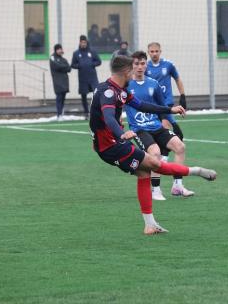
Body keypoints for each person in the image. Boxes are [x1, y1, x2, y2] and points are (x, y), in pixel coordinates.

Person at [89, 55, 217, 235]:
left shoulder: (119, 90)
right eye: (132, 71)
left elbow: (142, 105)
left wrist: (168, 110)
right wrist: (121, 133)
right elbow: (108, 117)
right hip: (112, 146)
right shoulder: (109, 92)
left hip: (110, 144)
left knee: (144, 172)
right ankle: (196, 171)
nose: (134, 74)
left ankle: (150, 225)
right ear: (126, 72)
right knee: (155, 164)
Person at [126, 51, 194, 200]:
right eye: (136, 63)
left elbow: (162, 106)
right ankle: (155, 190)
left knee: (180, 146)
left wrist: (169, 121)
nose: (139, 67)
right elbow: (118, 106)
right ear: (131, 65)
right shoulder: (126, 86)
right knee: (155, 154)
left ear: (146, 65)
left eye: (142, 63)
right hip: (139, 129)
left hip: (156, 126)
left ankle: (177, 185)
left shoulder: (153, 83)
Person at [146, 42, 188, 199]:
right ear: (148, 52)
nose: (154, 53)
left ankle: (174, 182)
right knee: (174, 139)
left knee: (179, 138)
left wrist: (183, 96)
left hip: (168, 106)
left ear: (160, 51)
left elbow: (178, 79)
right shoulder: (146, 68)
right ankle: (165, 182)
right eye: (152, 51)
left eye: (157, 51)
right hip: (156, 108)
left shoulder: (168, 65)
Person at [71, 35, 102, 118]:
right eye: (82, 42)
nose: (83, 44)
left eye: (84, 42)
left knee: (96, 94)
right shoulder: (76, 53)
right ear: (80, 43)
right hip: (82, 78)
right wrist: (80, 65)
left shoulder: (92, 52)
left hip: (92, 77)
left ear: (87, 43)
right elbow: (73, 65)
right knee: (83, 95)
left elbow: (99, 61)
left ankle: (96, 111)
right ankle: (86, 112)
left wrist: (92, 64)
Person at [49, 44, 71, 120]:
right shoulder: (52, 58)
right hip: (57, 81)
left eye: (60, 49)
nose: (60, 50)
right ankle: (59, 114)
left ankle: (61, 113)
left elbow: (69, 68)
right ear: (56, 50)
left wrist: (62, 67)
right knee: (59, 98)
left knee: (63, 98)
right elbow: (57, 66)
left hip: (65, 81)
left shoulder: (64, 59)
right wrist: (63, 67)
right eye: (58, 49)